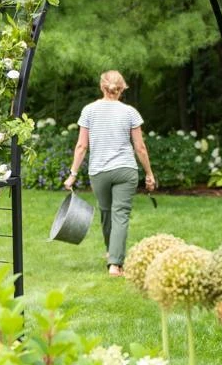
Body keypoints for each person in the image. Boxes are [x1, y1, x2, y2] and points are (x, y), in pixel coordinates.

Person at [63, 70, 156, 276]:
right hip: (125, 170)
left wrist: (73, 174)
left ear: (101, 87)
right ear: (122, 89)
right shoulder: (130, 112)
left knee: (106, 213)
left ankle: (112, 256)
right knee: (120, 215)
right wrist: (149, 173)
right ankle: (115, 262)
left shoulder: (89, 110)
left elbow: (81, 146)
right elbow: (140, 147)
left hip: (99, 172)